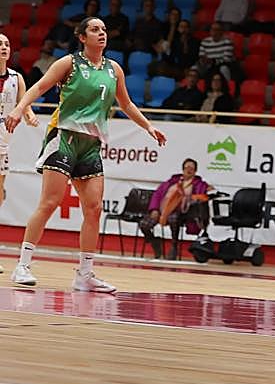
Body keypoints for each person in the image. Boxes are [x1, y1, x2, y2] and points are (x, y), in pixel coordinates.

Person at [5, 16, 167, 290]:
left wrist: (148, 127)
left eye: (104, 29)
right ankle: (22, 265)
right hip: (64, 137)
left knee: (93, 209)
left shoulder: (114, 69)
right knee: (49, 203)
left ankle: (85, 274)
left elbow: (126, 104)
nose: (101, 33)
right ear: (82, 37)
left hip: (91, 144)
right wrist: (19, 109)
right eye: (95, 30)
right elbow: (39, 87)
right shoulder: (69, 63)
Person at [0, 34, 39, 230]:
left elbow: (24, 104)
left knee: (0, 192)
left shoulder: (17, 78)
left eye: (7, 44)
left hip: (4, 143)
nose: (4, 47)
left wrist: (29, 115)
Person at [139, 158, 210, 260]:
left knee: (173, 219)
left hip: (181, 212)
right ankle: (154, 242)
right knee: (144, 224)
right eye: (187, 168)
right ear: (183, 169)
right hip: (162, 210)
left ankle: (174, 246)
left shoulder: (198, 184)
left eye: (191, 168)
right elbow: (157, 194)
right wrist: (154, 209)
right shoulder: (172, 182)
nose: (189, 170)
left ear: (195, 171)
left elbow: (201, 195)